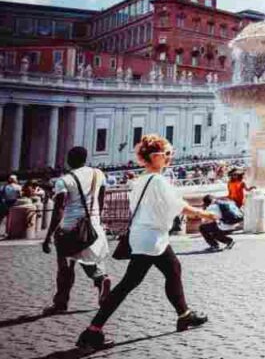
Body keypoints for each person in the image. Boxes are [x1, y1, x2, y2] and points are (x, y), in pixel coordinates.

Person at [76, 134, 217, 350]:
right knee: (129, 284)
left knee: (171, 271)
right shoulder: (158, 181)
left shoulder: (140, 180)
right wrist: (204, 214)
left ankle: (184, 314)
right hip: (152, 238)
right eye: (167, 154)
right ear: (155, 156)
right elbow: (177, 206)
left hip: (145, 236)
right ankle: (92, 331)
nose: (170, 158)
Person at [41, 146, 112, 315]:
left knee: (65, 267)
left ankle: (61, 303)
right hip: (93, 225)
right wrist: (96, 219)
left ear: (69, 160)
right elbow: (101, 199)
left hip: (70, 227)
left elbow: (59, 210)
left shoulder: (65, 180)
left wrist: (48, 236)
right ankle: (101, 279)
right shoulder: (98, 174)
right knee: (85, 258)